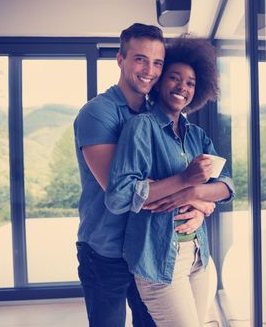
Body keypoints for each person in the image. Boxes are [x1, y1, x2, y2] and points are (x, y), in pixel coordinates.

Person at [74, 24, 215, 327]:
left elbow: (168, 183)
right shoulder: (99, 113)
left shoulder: (159, 116)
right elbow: (124, 192)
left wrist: (203, 206)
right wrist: (192, 194)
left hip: (151, 250)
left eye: (157, 62)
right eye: (140, 59)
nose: (149, 70)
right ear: (120, 58)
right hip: (106, 250)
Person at [105, 37, 235, 327]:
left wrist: (194, 196)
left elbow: (227, 185)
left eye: (190, 83)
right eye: (174, 78)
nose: (182, 87)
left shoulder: (196, 135)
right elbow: (119, 196)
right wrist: (184, 179)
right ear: (160, 81)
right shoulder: (141, 127)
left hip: (198, 258)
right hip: (159, 261)